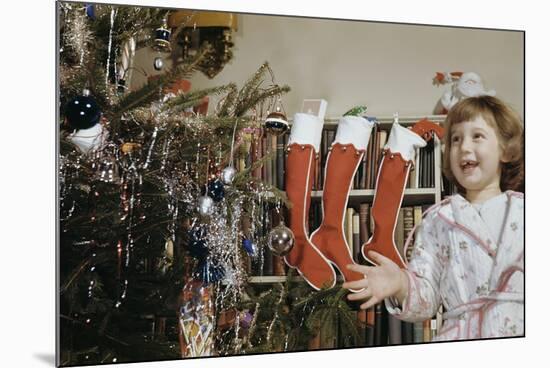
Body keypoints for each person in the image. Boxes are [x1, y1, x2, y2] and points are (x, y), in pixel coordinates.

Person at [342, 95, 524, 340]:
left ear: (505, 149)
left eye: (477, 136)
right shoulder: (439, 219)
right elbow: (426, 297)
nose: (464, 147)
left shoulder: (524, 212)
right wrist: (401, 283)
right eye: (456, 139)